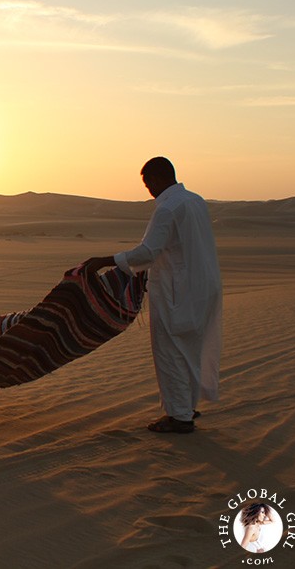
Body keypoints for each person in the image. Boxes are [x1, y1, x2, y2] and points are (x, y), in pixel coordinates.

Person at [82, 156, 222, 433]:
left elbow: (148, 252)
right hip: (203, 287)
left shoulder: (168, 208)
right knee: (190, 349)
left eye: (148, 183)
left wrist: (105, 260)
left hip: (177, 291)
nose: (148, 189)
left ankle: (179, 417)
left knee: (169, 350)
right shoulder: (195, 200)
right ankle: (186, 406)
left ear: (158, 178)